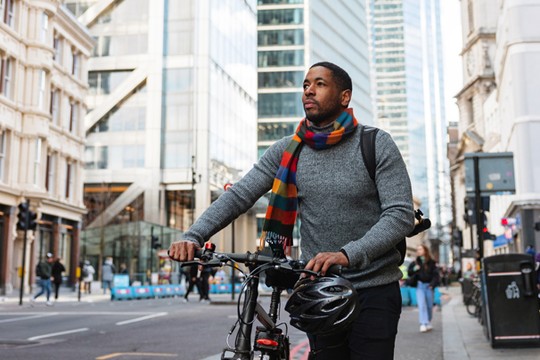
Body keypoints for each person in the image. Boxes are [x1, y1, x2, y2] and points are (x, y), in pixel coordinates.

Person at [168, 61, 415, 359]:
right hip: (319, 290)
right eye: (306, 85)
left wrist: (347, 254)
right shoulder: (288, 149)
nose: (309, 91)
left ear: (344, 96)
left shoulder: (376, 143)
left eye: (320, 84)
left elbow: (399, 214)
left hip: (374, 288)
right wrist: (193, 235)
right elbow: (240, 196)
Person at [408, 244, 439, 333]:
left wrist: (432, 284)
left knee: (429, 306)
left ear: (425, 250)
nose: (418, 251)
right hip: (420, 285)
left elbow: (436, 275)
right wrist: (414, 269)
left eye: (420, 249)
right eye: (417, 249)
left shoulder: (431, 262)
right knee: (422, 305)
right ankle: (423, 323)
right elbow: (409, 273)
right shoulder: (415, 262)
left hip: (429, 286)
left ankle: (428, 321)